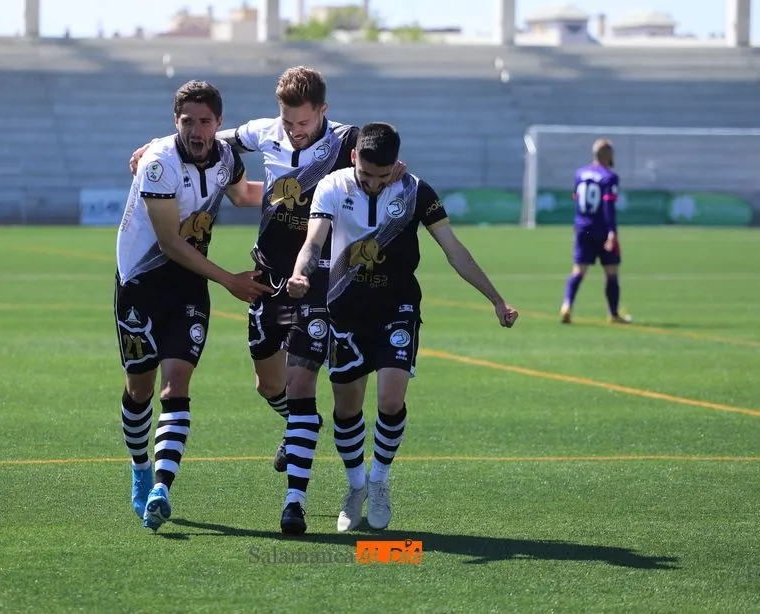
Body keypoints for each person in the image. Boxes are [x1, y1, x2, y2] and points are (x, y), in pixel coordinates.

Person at [130, 67, 404, 535]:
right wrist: (152, 146)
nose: (294, 131)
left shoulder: (346, 141)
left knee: (300, 383)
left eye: (303, 123)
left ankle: (296, 499)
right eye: (288, 122)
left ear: (323, 111)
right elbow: (206, 133)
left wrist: (399, 170)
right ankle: (298, 425)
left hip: (318, 277)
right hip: (268, 274)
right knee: (266, 383)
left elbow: (383, 158)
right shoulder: (262, 132)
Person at [287, 122, 518, 532]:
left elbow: (454, 250)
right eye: (367, 176)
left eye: (383, 176)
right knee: (347, 407)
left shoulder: (416, 191)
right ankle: (355, 485)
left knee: (391, 400)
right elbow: (313, 242)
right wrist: (301, 274)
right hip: (344, 310)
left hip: (398, 308)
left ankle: (378, 481)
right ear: (354, 157)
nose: (374, 185)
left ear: (396, 164)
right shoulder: (331, 187)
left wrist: (496, 299)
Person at [116, 80, 272, 532]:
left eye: (205, 121)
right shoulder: (158, 164)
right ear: (175, 121)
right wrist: (229, 280)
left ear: (219, 123)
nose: (197, 129)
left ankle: (162, 487)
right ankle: (140, 466)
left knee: (176, 384)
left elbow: (244, 195)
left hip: (189, 283)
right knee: (139, 389)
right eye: (188, 121)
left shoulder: (224, 156)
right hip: (141, 284)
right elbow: (168, 243)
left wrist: (301, 189)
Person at [560, 138, 631, 324]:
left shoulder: (580, 173)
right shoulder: (609, 177)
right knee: (611, 272)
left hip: (583, 228)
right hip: (601, 228)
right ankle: (614, 314)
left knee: (578, 271)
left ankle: (567, 305)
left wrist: (578, 223)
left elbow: (576, 198)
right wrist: (612, 232)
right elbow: (608, 205)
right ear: (608, 155)